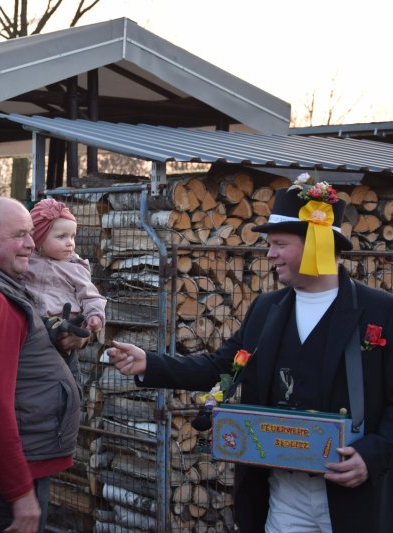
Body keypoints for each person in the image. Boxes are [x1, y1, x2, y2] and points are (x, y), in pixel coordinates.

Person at [108, 175, 393, 533]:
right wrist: (149, 363)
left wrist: (373, 455)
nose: (269, 254)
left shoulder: (381, 311)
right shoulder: (266, 308)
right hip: (282, 495)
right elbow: (220, 368)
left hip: (352, 497)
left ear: (316, 243)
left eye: (279, 244)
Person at [0, 197, 87, 533]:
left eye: (31, 233)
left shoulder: (1, 284)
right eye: (19, 235)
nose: (31, 243)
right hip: (14, 471)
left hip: (22, 460)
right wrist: (19, 491)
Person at [22, 198, 106, 337]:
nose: (70, 243)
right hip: (33, 327)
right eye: (61, 237)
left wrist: (95, 315)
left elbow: (90, 296)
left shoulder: (75, 267)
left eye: (72, 237)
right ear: (39, 239)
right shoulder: (27, 261)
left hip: (66, 328)